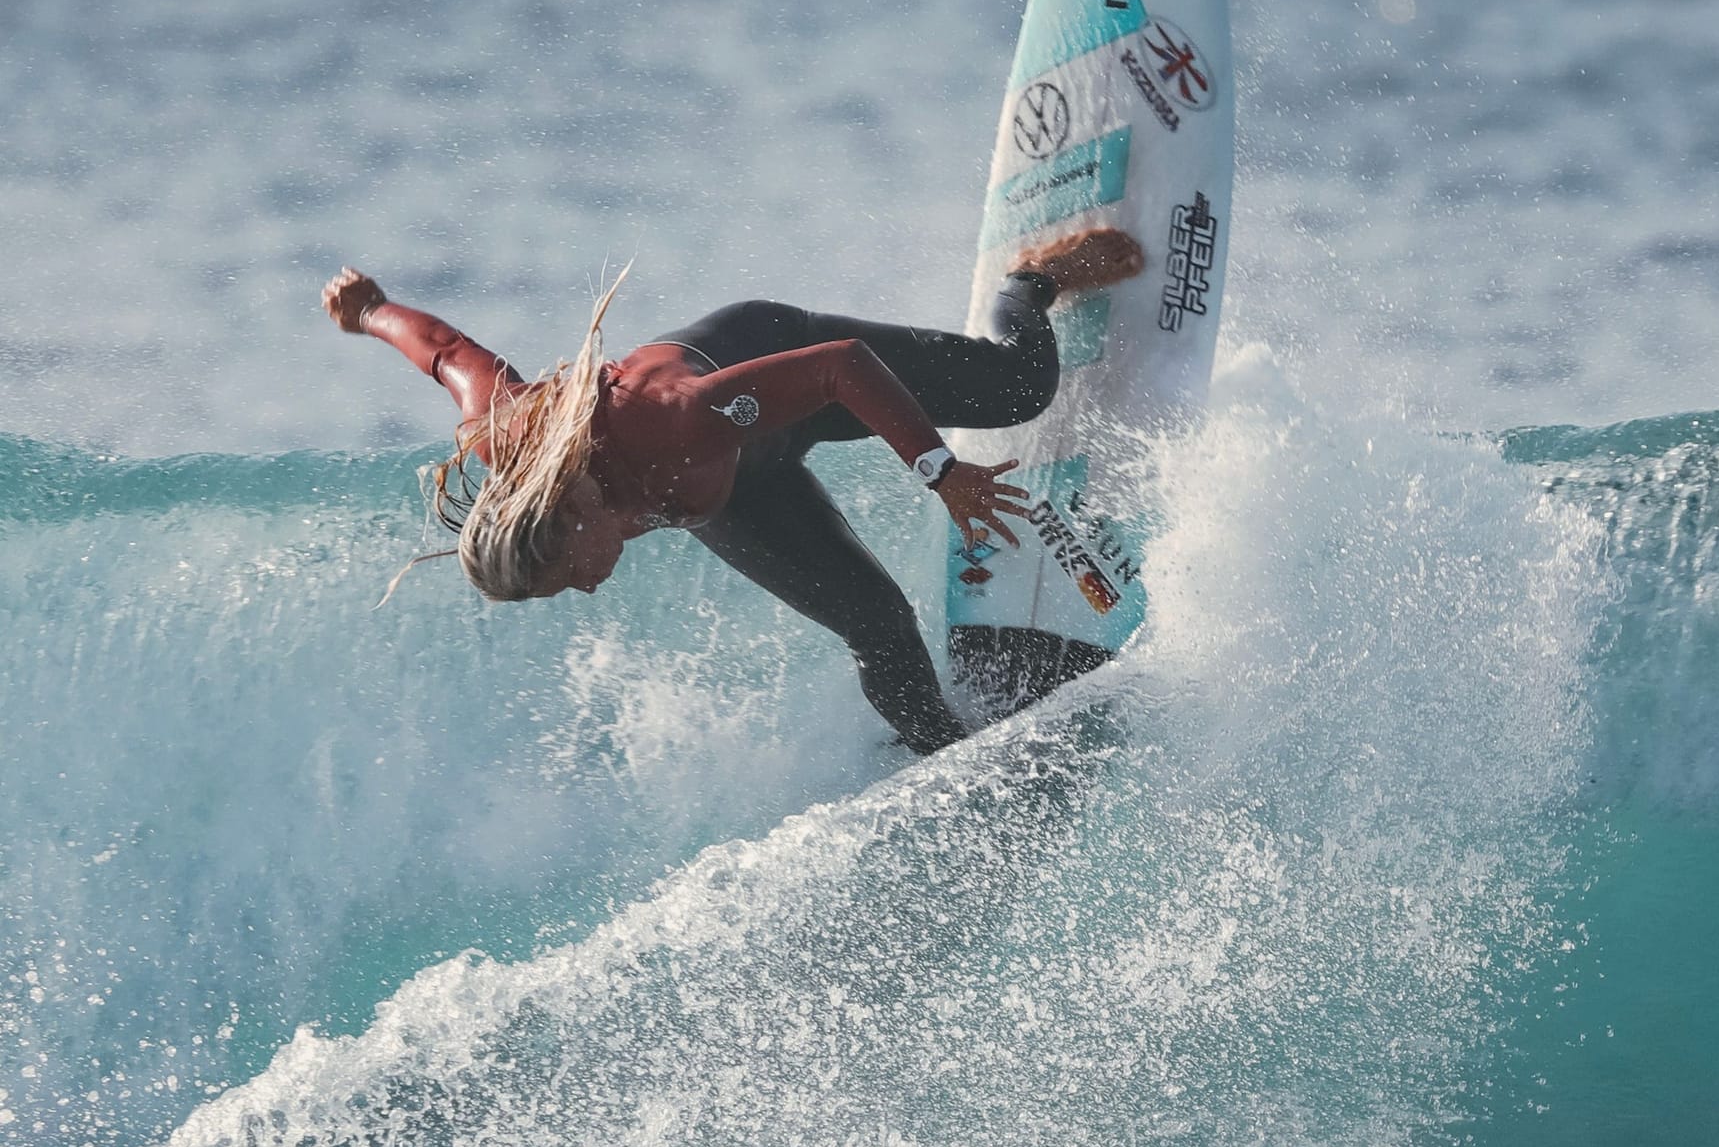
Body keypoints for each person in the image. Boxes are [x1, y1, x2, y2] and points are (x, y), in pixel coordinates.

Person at [324, 227, 1144, 753]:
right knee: (878, 628)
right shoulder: (499, 436)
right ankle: (950, 755)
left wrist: (939, 469)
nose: (582, 587)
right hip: (728, 490)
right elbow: (446, 355)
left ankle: (1031, 279)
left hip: (793, 374)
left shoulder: (669, 418)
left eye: (563, 574)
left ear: (573, 513)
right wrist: (375, 316)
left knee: (1015, 392)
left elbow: (840, 367)